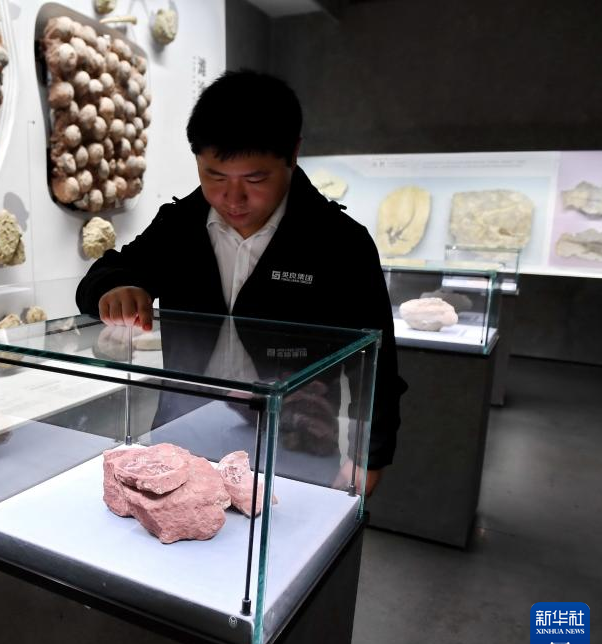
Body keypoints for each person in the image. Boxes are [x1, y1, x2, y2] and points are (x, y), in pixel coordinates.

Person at [76, 70, 405, 495]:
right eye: (215, 176)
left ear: (292, 154)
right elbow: (103, 277)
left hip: (293, 439)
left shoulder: (340, 243)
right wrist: (115, 289)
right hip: (183, 432)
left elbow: (377, 365)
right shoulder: (179, 227)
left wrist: (370, 454)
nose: (233, 199)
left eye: (255, 179)